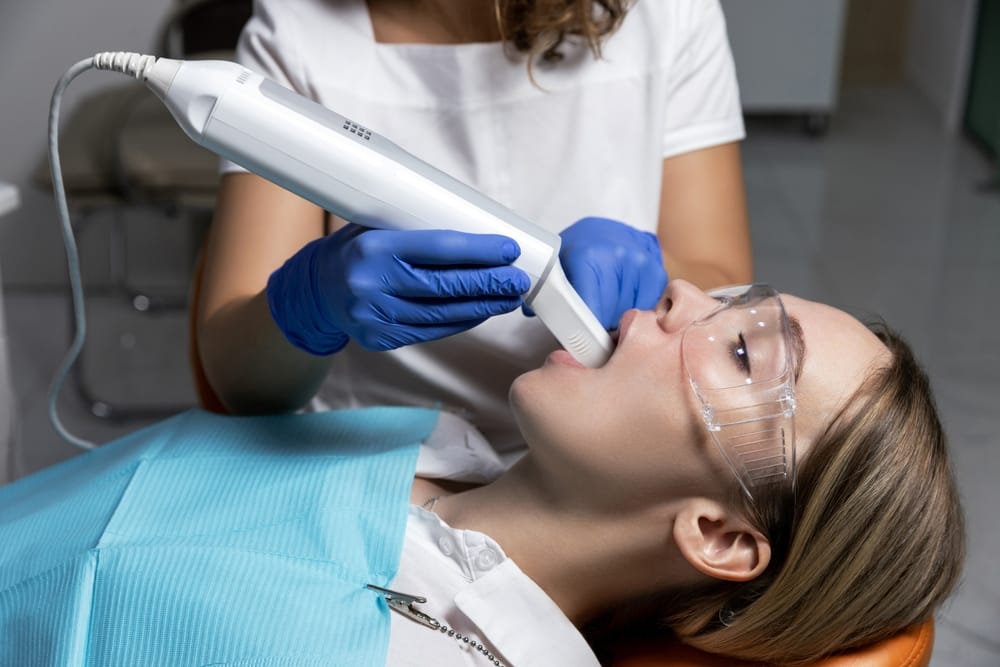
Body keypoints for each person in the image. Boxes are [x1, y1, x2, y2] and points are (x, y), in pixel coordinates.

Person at [0, 281, 964, 665]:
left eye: (746, 355)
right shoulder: (432, 441)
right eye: (731, 301)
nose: (683, 293)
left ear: (717, 534)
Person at [195, 0, 754, 458]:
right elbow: (239, 381)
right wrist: (310, 301)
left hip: (589, 461)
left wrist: (655, 278)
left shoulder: (668, 15)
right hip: (376, 460)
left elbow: (724, 283)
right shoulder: (298, 34)